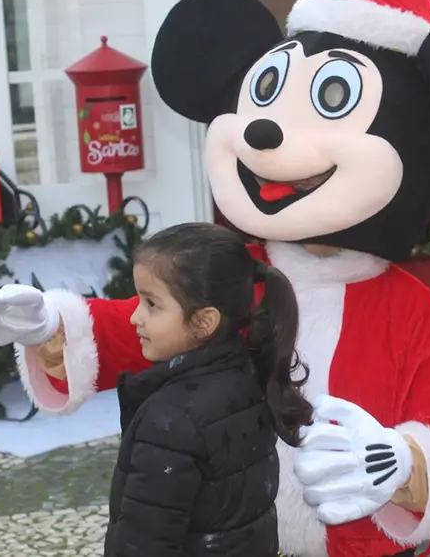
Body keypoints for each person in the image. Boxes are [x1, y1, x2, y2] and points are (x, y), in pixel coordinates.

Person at [0, 0, 430, 557]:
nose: (266, 138)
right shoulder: (234, 273)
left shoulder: (410, 313)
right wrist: (52, 328)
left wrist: (405, 463)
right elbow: (134, 327)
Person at [104, 223, 311, 556]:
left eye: (151, 304)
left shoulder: (170, 420)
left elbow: (145, 542)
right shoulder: (248, 377)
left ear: (203, 322)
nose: (134, 318)